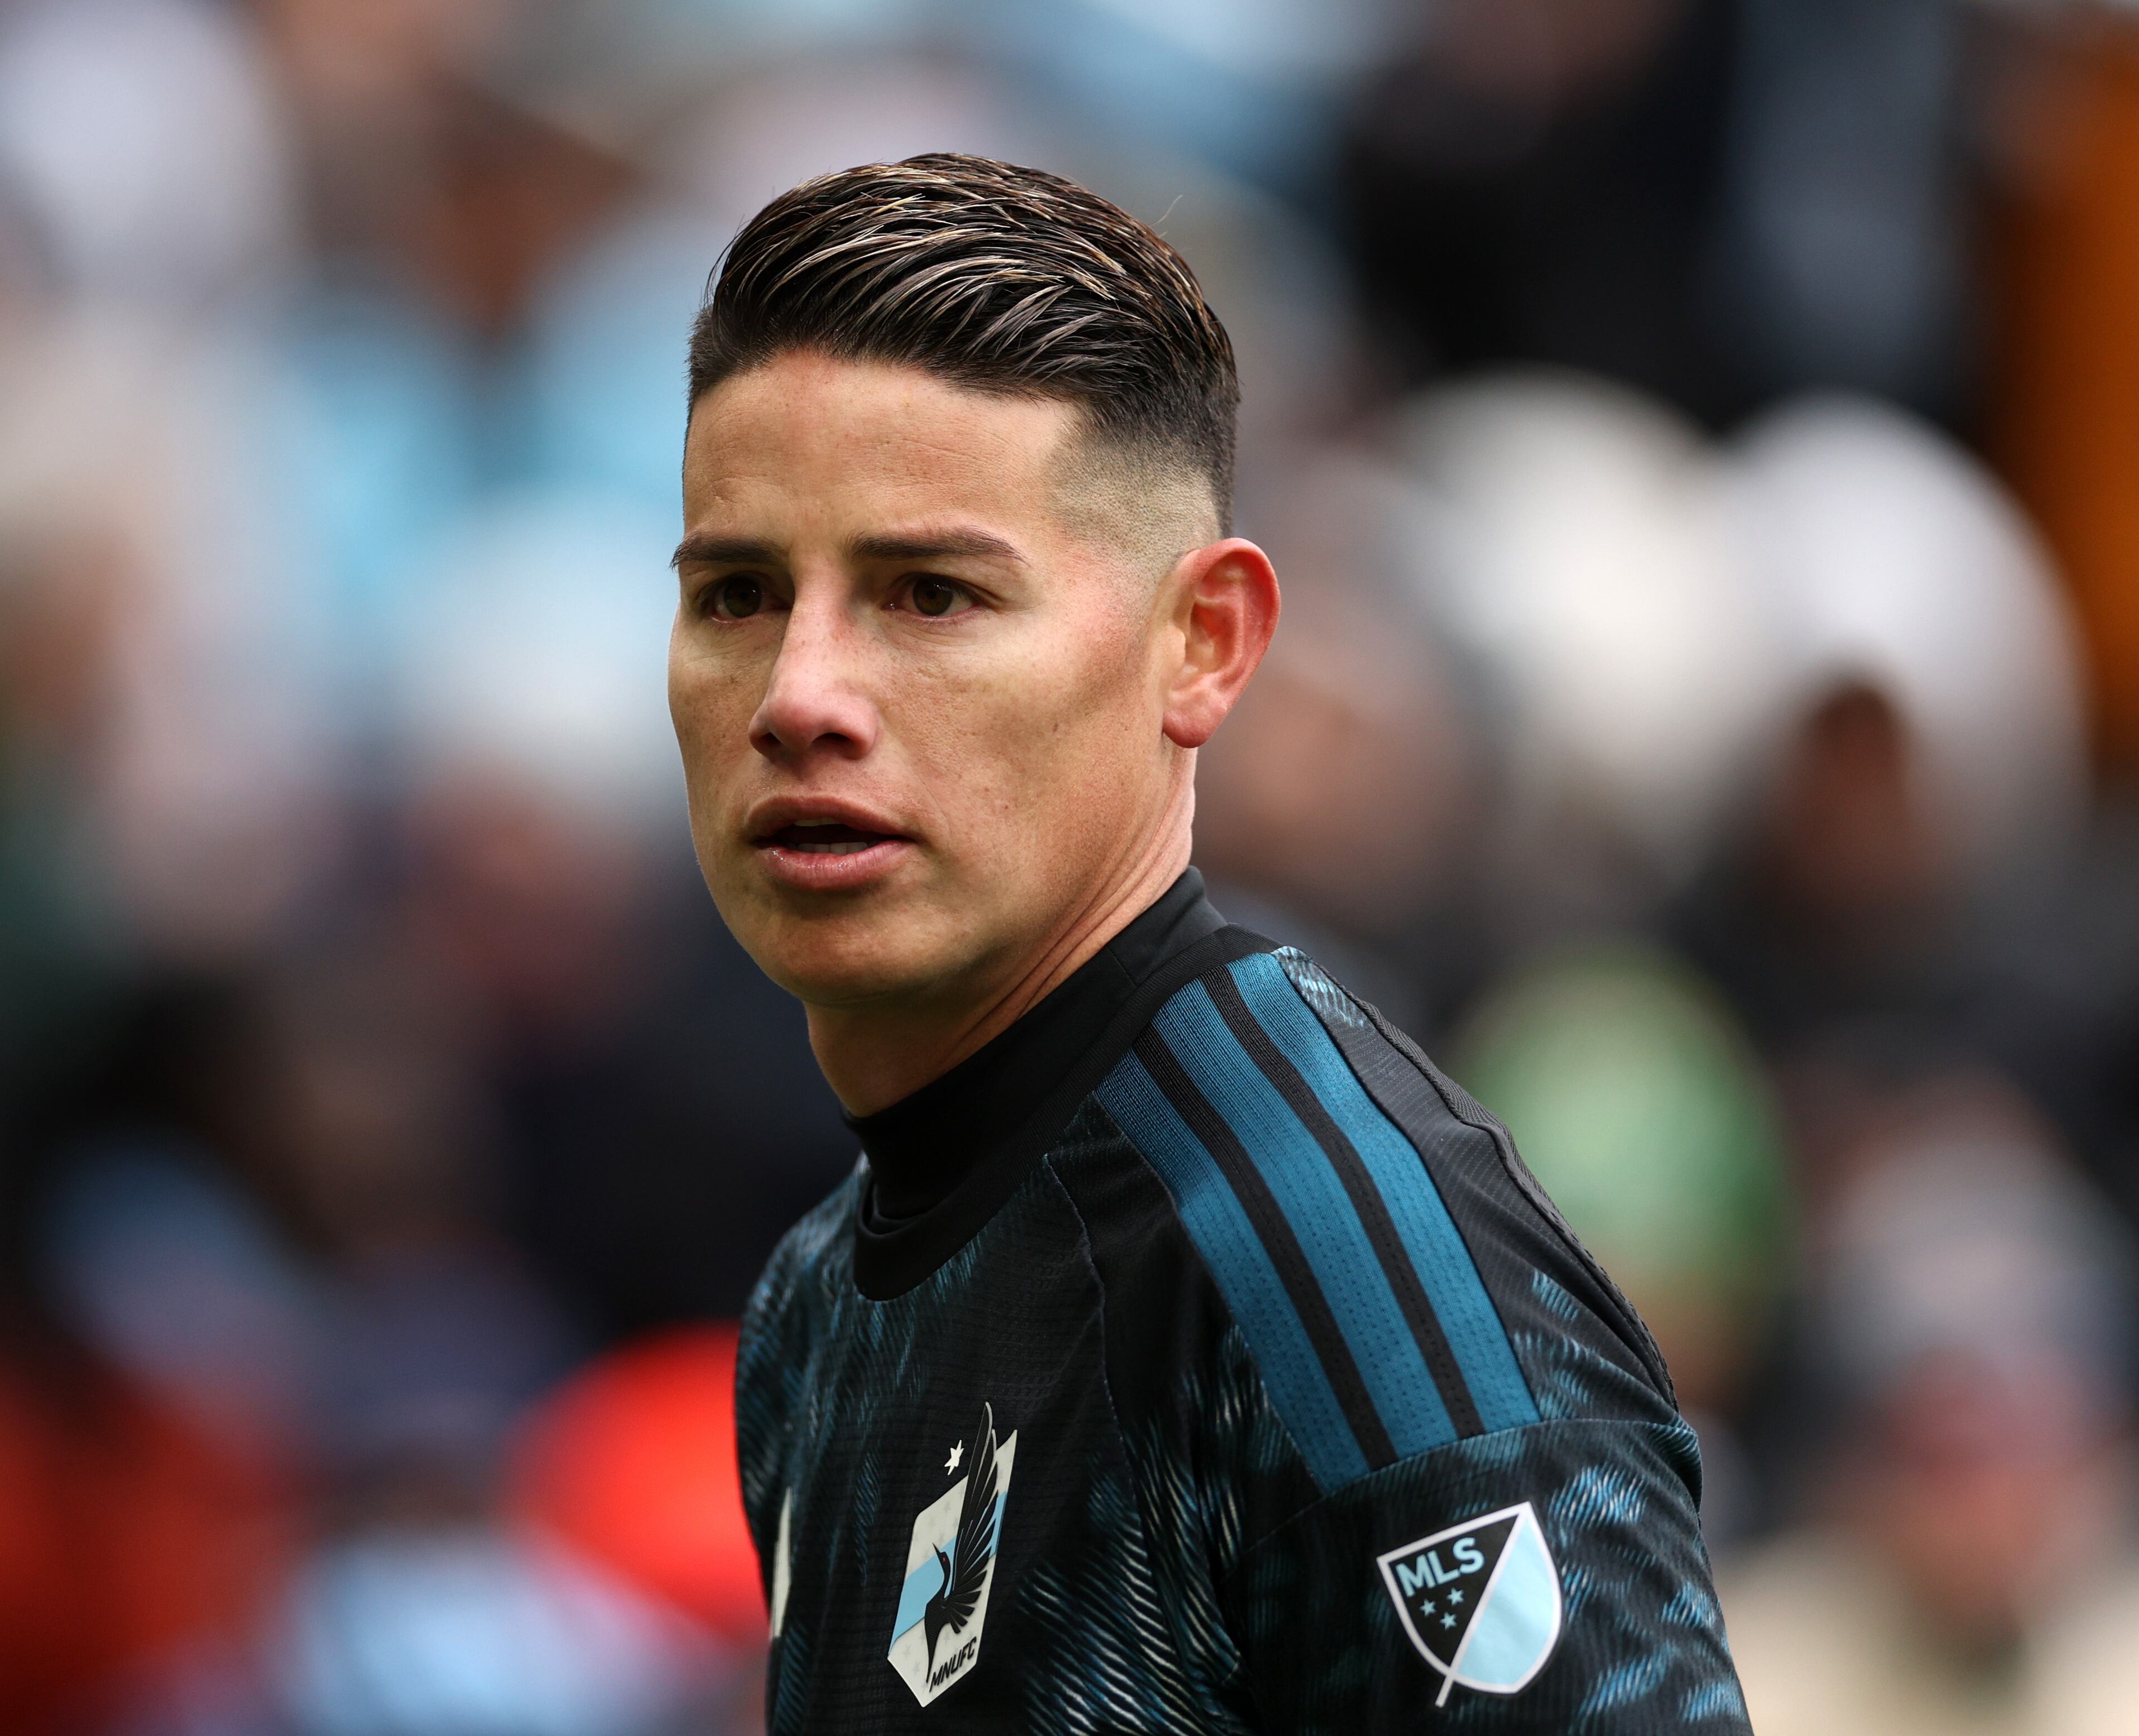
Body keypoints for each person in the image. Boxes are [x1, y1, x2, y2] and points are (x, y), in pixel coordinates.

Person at [669, 155, 1746, 1730]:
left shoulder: (1330, 1259)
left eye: (932, 596)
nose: (800, 694)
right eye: (741, 593)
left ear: (1205, 645)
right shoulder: (816, 1300)